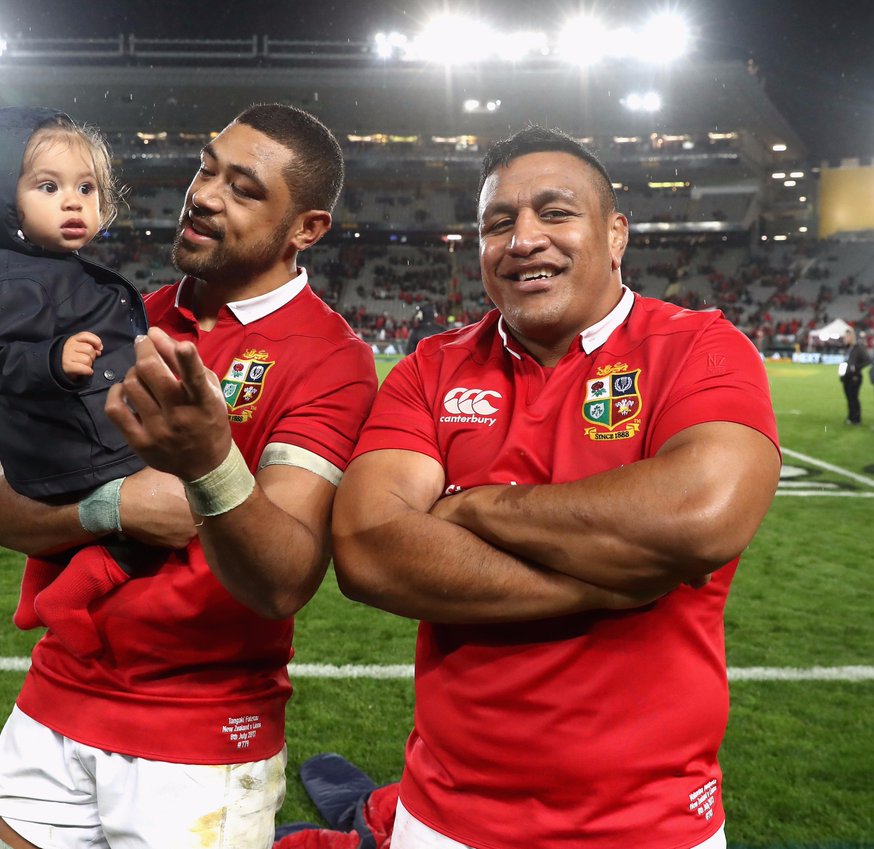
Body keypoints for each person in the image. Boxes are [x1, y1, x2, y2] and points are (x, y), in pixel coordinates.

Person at [331, 126, 781, 849]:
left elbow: (700, 516)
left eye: (555, 212)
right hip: (447, 818)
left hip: (654, 824)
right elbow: (365, 549)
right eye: (498, 223)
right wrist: (617, 579)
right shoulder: (430, 367)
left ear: (615, 234)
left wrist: (476, 505)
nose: (523, 239)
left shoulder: (701, 345)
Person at [0, 102, 377, 849]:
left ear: (307, 229)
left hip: (197, 730)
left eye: (245, 188)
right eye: (206, 167)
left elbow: (283, 579)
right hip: (54, 698)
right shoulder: (120, 313)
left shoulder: (331, 359)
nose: (206, 194)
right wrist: (113, 506)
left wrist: (209, 467)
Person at [0, 106, 150, 657]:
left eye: (87, 187)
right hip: (77, 442)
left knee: (88, 522)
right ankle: (66, 597)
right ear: (8, 204)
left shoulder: (49, 267)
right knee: (160, 519)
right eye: (48, 186)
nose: (73, 201)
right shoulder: (11, 274)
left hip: (72, 435)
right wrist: (54, 358)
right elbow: (2, 361)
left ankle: (36, 589)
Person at [839, 325, 868, 425]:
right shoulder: (848, 348)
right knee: (849, 398)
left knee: (853, 398)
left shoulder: (858, 348)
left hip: (855, 377)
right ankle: (851, 417)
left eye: (846, 336)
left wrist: (856, 368)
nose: (844, 338)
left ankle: (856, 419)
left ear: (851, 337)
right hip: (846, 377)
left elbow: (867, 360)